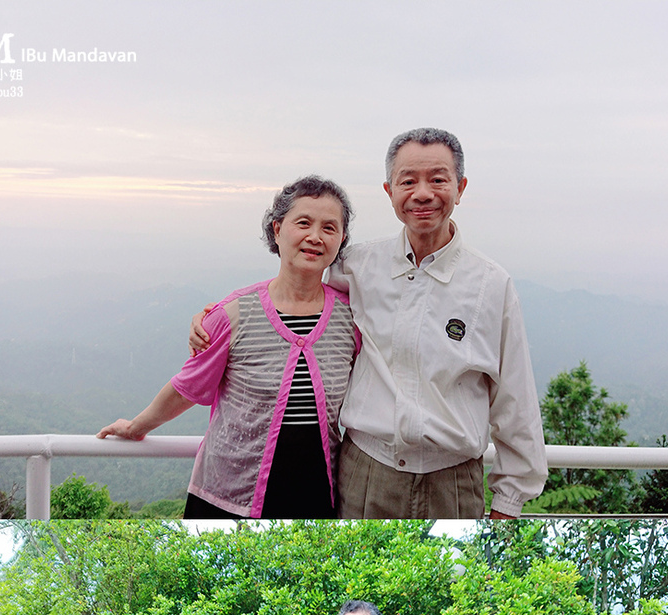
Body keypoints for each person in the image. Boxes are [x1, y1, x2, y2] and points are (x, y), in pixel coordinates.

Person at [191, 129, 547, 519]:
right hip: (364, 474)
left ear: (460, 188)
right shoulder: (357, 267)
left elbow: (516, 400)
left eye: (438, 179)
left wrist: (508, 505)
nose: (423, 193)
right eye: (408, 181)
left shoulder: (491, 285)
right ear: (389, 191)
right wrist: (218, 315)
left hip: (453, 484)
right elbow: (296, 289)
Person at [98, 175, 359, 518]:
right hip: (228, 496)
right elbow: (188, 386)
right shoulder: (233, 314)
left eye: (329, 227)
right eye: (303, 223)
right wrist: (137, 427)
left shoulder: (352, 317)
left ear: (341, 239)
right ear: (277, 230)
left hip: (317, 495)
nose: (315, 236)